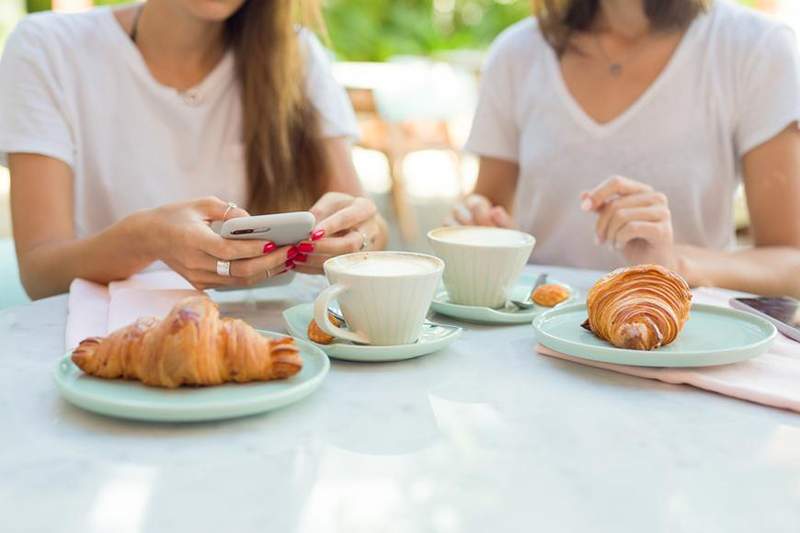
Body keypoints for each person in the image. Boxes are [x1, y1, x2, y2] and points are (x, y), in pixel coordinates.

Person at [0, 0, 387, 299]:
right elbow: (40, 273)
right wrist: (143, 239)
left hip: (280, 346)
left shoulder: (296, 53)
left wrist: (358, 238)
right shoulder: (48, 48)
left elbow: (365, 225)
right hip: (107, 347)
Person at [456, 0, 800, 297]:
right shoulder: (516, 53)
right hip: (535, 340)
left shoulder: (756, 48)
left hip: (676, 347)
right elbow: (491, 212)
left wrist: (674, 263)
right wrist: (477, 224)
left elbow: (791, 262)